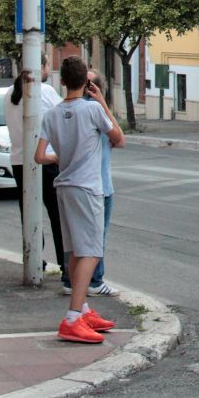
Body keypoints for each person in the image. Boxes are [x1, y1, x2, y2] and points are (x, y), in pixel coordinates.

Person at [35, 56, 125, 344]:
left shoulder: (50, 115)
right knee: (92, 251)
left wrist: (60, 158)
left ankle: (82, 309)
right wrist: (102, 103)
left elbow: (39, 156)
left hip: (63, 186)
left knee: (75, 250)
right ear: (86, 83)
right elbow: (119, 138)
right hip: (87, 188)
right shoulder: (92, 110)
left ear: (61, 81)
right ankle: (73, 316)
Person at [4, 54, 69, 290]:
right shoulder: (44, 91)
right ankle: (65, 264)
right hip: (46, 160)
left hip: (19, 161)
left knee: (29, 213)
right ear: (39, 67)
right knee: (57, 214)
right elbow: (63, 116)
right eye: (45, 66)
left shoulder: (9, 95)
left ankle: (34, 258)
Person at [85, 70, 117, 296]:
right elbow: (119, 138)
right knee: (97, 238)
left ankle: (72, 279)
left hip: (79, 185)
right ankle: (95, 281)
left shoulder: (66, 110)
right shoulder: (97, 112)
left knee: (78, 238)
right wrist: (103, 103)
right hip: (100, 187)